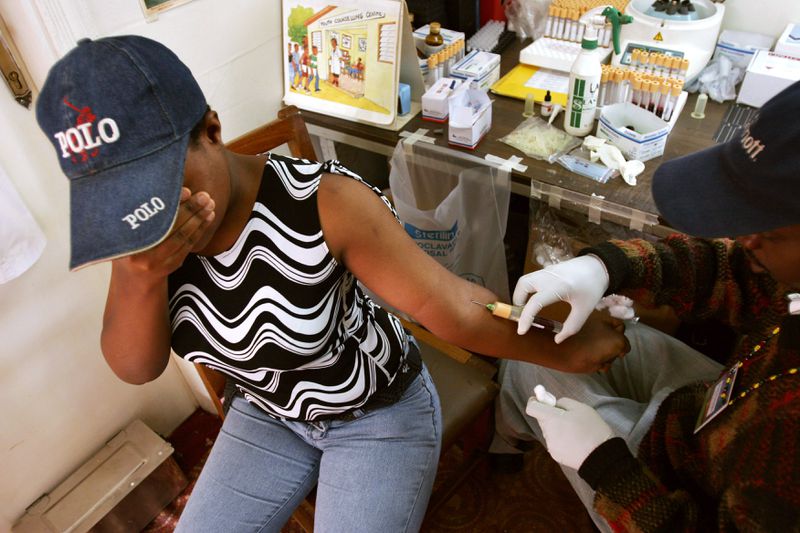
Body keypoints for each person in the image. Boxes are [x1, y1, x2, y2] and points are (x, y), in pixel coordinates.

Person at [35, 35, 628, 533]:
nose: (152, 214)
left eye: (160, 183)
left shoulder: (326, 201)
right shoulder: (139, 245)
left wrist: (564, 345)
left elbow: (447, 306)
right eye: (124, 201)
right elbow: (136, 367)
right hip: (267, 413)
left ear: (212, 129)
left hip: (377, 412)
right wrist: (140, 276)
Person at [496, 81, 800, 531]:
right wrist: (609, 266)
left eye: (766, 233)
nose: (743, 239)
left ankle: (514, 440)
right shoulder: (784, 273)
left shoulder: (783, 447)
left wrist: (606, 468)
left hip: (680, 499)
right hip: (711, 420)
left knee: (528, 368)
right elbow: (733, 270)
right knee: (618, 342)